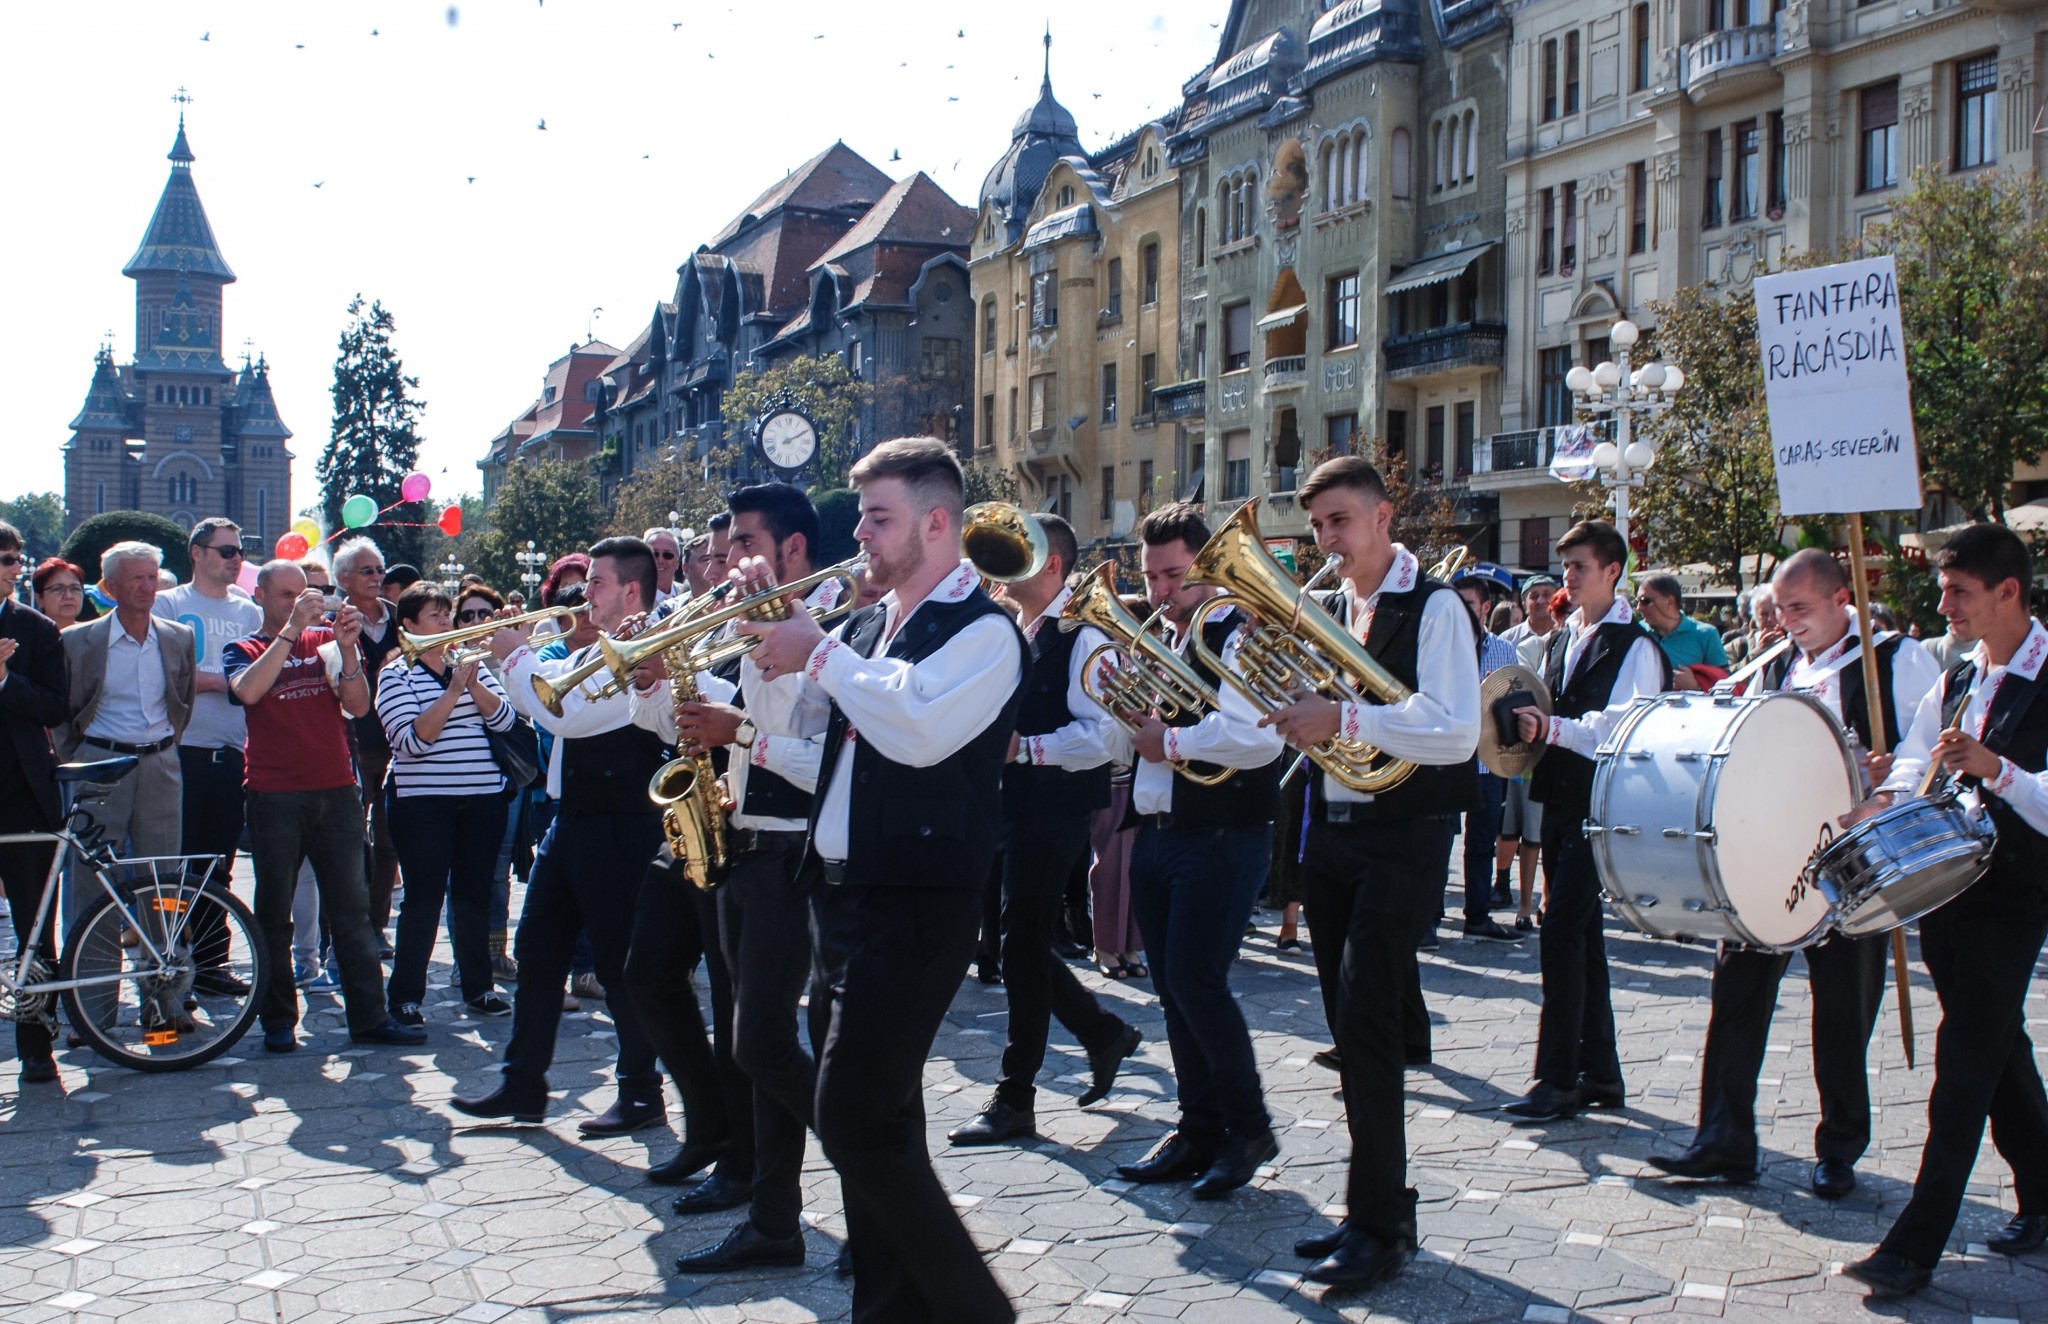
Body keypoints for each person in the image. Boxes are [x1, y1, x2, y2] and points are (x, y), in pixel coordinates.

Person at [735, 438, 1024, 1324]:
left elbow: (917, 728)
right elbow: (800, 732)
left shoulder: (985, 631)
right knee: (882, 1124)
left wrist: (817, 653)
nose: (857, 533)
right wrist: (764, 636)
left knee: (855, 1119)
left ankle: (979, 1313)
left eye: (877, 517)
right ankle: (888, 1310)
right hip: (838, 896)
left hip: (916, 901)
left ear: (937, 524)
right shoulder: (866, 627)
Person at [1648, 548, 1940, 1196]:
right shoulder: (1777, 663)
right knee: (1736, 993)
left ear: (1841, 600)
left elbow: (1928, 752)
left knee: (1842, 1009)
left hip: (1853, 859)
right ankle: (1724, 1138)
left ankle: (1839, 1147)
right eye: (1780, 609)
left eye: (1800, 608)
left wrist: (1891, 779)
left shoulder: (1895, 659)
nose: (1787, 621)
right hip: (1771, 855)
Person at [1258, 459, 1480, 1288]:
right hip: (1336, 829)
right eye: (1318, 525)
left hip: (1406, 833)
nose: (1327, 539)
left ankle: (1380, 1226)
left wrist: (1343, 717)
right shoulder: (1331, 608)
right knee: (1347, 1029)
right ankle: (1376, 1209)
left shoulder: (1435, 606)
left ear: (1384, 518)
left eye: (1340, 521)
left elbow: (1455, 731)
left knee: (1368, 1023)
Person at [1841, 524, 2048, 1298]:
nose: (1943, 605)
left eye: (1958, 591)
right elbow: (1919, 754)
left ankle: (1914, 1247)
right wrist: (1886, 793)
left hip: (2019, 894)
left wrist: (2000, 770)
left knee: (1962, 1065)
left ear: (2008, 592)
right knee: (1996, 1047)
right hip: (1950, 886)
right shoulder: (1960, 672)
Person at [638, 482, 837, 1272]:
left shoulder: (832, 628)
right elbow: (705, 722)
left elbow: (830, 760)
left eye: (744, 544)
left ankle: (876, 1170)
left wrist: (743, 733)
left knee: (760, 1043)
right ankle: (775, 1220)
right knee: (756, 1042)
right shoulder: (749, 622)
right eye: (724, 549)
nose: (726, 563)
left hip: (793, 856)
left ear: (793, 547)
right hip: (742, 847)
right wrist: (656, 684)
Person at [456, 537, 678, 1138]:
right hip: (573, 818)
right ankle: (523, 1082)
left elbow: (565, 713)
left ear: (632, 590)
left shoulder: (646, 646)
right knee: (537, 950)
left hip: (621, 824)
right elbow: (553, 684)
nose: (585, 595)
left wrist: (512, 658)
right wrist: (514, 651)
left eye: (597, 583)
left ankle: (641, 1093)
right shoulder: (595, 647)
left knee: (617, 964)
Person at [1107, 503, 1286, 1203]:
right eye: (1150, 577)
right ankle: (1198, 1128)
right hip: (1158, 831)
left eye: (1173, 575)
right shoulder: (1164, 639)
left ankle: (1250, 1128)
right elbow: (1137, 740)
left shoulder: (1236, 635)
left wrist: (1171, 741)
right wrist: (1128, 716)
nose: (1159, 592)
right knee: (1174, 989)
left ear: (1207, 568)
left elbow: (1260, 738)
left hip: (1219, 835)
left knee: (1197, 983)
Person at [949, 513, 1142, 1149]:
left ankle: (1016, 1096)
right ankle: (1101, 1033)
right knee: (1017, 944)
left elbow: (1105, 738)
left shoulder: (1084, 635)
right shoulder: (1016, 630)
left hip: (1054, 807)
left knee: (1021, 944)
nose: (999, 570)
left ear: (1052, 565)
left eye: (1017, 555)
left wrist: (1026, 749)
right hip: (1014, 805)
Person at [224, 560, 425, 1053]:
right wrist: (292, 631)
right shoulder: (245, 648)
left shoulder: (328, 643)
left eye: (305, 593)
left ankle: (369, 1017)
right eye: (287, 595)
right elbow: (248, 690)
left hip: (336, 790)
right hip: (273, 793)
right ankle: (277, 1019)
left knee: (352, 910)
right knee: (274, 912)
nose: (299, 602)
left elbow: (358, 706)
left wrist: (350, 649)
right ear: (260, 597)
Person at [1506, 520, 1668, 1121]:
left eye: (1580, 566)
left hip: (1604, 804)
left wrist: (1550, 728)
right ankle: (1601, 1072)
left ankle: (1557, 1078)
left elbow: (1621, 730)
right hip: (1561, 798)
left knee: (1560, 933)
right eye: (1566, 565)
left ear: (1612, 571)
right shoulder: (1562, 638)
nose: (1568, 576)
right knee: (1581, 936)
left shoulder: (1636, 646)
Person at [377, 583, 516, 1025]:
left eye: (445, 614)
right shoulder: (395, 675)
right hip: (422, 804)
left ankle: (479, 987)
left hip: (482, 799)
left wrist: (472, 684)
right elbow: (412, 741)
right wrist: (454, 691)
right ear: (409, 625)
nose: (444, 623)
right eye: (434, 616)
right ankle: (405, 996)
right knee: (423, 899)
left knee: (474, 897)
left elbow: (505, 719)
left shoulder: (469, 664)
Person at [55, 542, 196, 926]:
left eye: (152, 577)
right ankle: (90, 966)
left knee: (163, 876)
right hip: (99, 763)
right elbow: (62, 711)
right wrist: (79, 757)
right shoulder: (77, 641)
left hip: (160, 764)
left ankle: (162, 960)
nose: (148, 587)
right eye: (136, 579)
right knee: (92, 874)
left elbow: (184, 699)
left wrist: (167, 748)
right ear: (111, 587)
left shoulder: (179, 637)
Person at [155, 520, 264, 964]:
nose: (236, 559)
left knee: (218, 866)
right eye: (226, 551)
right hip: (179, 751)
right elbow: (165, 675)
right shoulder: (169, 603)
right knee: (174, 866)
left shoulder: (249, 613)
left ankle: (211, 962)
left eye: (240, 551)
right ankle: (167, 959)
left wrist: (226, 684)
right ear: (197, 553)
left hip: (231, 751)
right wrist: (229, 683)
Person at [0, 521, 71, 1083]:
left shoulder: (36, 628)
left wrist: (3, 679)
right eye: (3, 559)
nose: (13, 568)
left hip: (22, 795)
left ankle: (36, 1046)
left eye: (15, 558)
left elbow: (54, 707)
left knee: (34, 927)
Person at [331, 538, 402, 951]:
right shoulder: (331, 622)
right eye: (367, 571)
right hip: (351, 744)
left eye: (380, 569)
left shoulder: (401, 619)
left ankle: (376, 925)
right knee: (349, 841)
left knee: (389, 842)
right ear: (344, 579)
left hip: (395, 744)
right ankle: (346, 927)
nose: (377, 577)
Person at [1498, 576, 1556, 924]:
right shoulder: (1509, 640)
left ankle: (1540, 901)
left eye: (1547, 594)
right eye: (1534, 595)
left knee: (1541, 828)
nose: (1541, 600)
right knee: (1512, 822)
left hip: (1554, 742)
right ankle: (1509, 890)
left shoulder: (1567, 636)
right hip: (1516, 746)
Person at [1635, 572, 1728, 689]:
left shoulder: (1706, 634)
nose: (1639, 608)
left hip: (1692, 701)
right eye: (1637, 601)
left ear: (1670, 601)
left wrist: (1696, 687)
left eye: (1645, 601)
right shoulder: (1636, 633)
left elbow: (1725, 684)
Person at [32, 559, 91, 631]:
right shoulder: (26, 636)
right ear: (39, 599)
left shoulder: (95, 634)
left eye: (75, 588)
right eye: (58, 589)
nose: (68, 596)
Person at [644, 527, 687, 605]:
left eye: (668, 555)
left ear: (677, 562)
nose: (660, 560)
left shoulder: (687, 594)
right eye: (654, 554)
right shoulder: (633, 598)